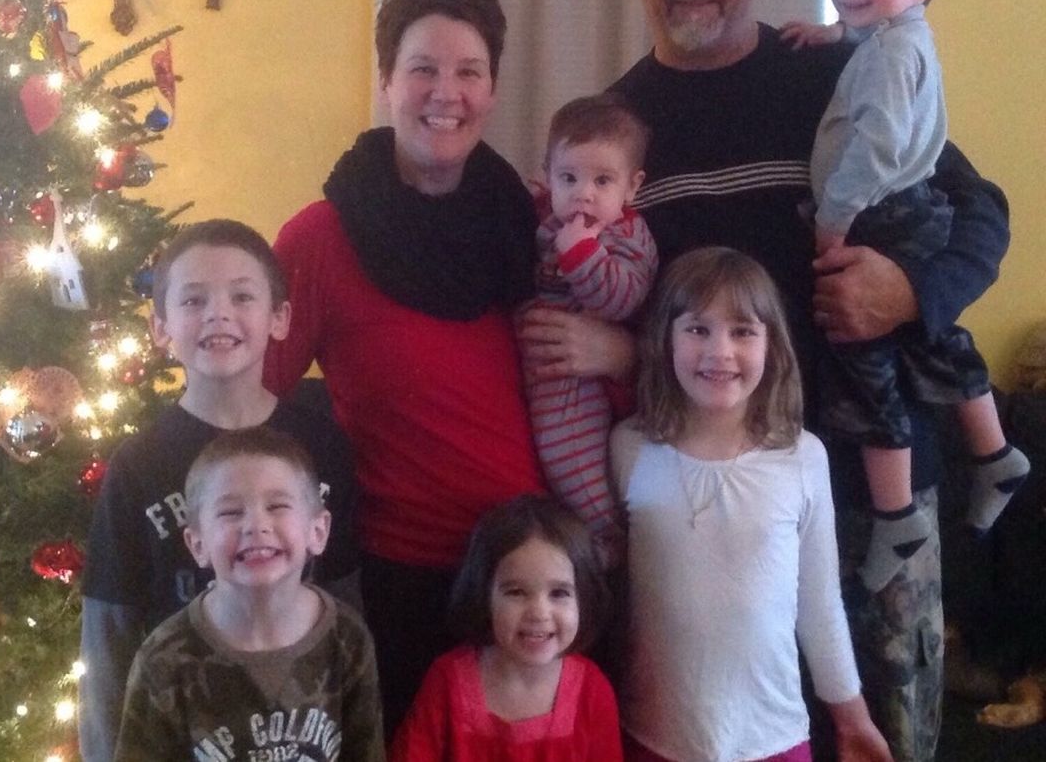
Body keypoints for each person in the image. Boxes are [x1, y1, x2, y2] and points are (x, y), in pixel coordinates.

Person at [518, 0, 1009, 760]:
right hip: (709, 511)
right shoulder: (612, 136)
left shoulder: (843, 71)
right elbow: (603, 290)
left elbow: (979, 212)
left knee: (886, 732)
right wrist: (622, 350)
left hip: (871, 480)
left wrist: (911, 292)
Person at [264, 0, 546, 736]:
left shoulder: (531, 222)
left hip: (532, 577)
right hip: (403, 587)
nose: (445, 93)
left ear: (492, 91)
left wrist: (613, 350)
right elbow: (250, 400)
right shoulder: (320, 239)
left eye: (469, 72)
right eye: (423, 68)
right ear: (386, 81)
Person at [780, 0, 1029, 593]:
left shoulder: (891, 56)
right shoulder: (891, 38)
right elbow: (873, 46)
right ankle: (994, 454)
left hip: (881, 215)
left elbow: (884, 149)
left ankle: (896, 514)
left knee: (864, 357)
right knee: (936, 341)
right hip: (905, 211)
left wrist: (834, 217)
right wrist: (837, 32)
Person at [79, 220, 358, 762]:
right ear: (160, 327)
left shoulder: (323, 444)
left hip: (304, 738)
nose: (218, 314)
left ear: (280, 318)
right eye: (194, 300)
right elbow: (108, 638)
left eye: (242, 296)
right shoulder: (139, 466)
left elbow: (347, 606)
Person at [611, 246, 891, 762]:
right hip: (653, 734)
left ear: (772, 346)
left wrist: (852, 718)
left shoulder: (803, 458)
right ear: (665, 339)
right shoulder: (630, 447)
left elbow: (820, 604)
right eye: (698, 329)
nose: (720, 351)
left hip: (773, 736)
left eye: (742, 331)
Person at [115, 428, 384, 762]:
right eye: (230, 512)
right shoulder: (164, 659)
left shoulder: (348, 638)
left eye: (277, 505)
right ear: (198, 544)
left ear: (318, 531)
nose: (256, 525)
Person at [390, 494, 621, 762]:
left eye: (559, 593)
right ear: (484, 595)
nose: (539, 613)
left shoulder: (592, 690)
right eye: (516, 592)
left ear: (584, 598)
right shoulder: (447, 679)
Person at [524, 94, 656, 557]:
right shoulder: (551, 220)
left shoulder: (627, 235)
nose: (584, 193)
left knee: (568, 462)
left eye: (602, 180)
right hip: (540, 367)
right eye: (569, 178)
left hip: (576, 383)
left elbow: (623, 298)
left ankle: (607, 537)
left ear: (631, 187)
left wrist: (582, 253)